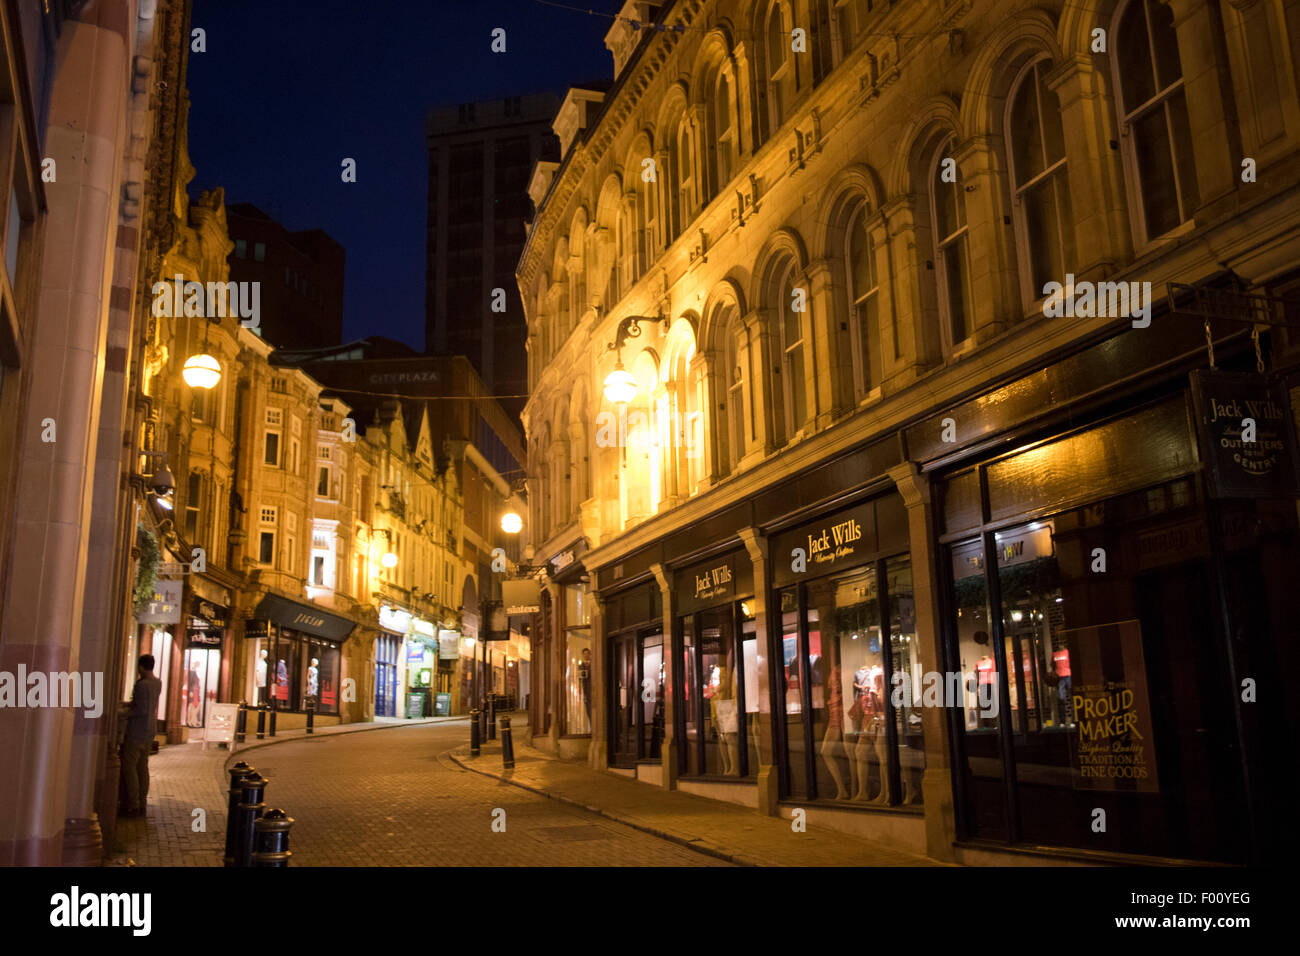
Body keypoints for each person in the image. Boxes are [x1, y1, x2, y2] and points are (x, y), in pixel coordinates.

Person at [121, 654, 162, 818]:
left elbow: (140, 710)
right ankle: (142, 802)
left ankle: (133, 804)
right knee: (142, 767)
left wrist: (123, 712)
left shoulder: (142, 685)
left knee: (129, 766)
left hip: (137, 731)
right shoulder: (158, 683)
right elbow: (147, 705)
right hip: (150, 730)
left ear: (141, 667)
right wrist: (129, 704)